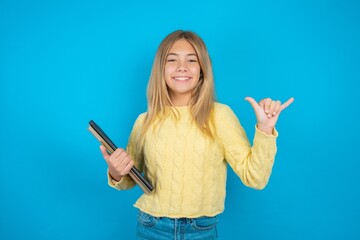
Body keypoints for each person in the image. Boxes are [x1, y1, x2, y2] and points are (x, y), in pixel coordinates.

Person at [100, 30, 294, 239]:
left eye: (191, 60)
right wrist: (116, 172)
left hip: (200, 231)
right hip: (150, 227)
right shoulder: (144, 121)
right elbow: (130, 180)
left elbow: (255, 178)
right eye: (172, 60)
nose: (182, 67)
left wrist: (265, 130)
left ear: (202, 69)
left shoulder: (220, 116)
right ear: (161, 70)